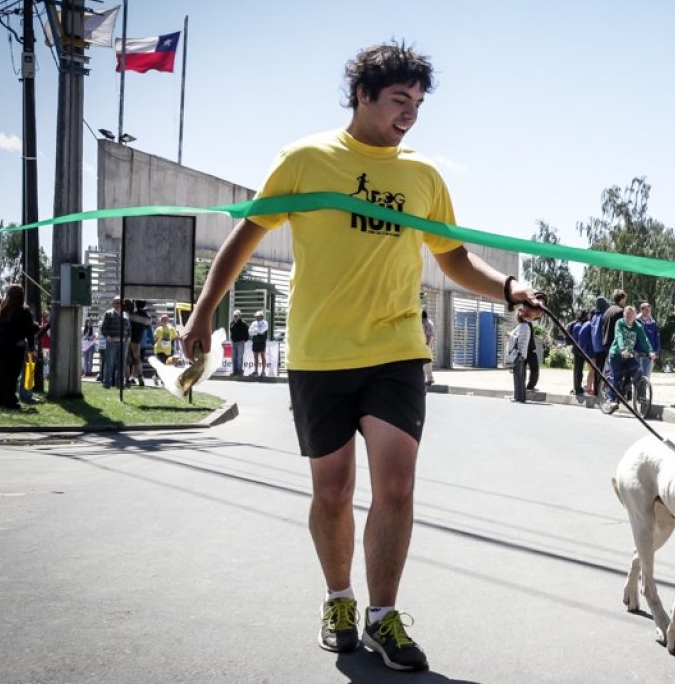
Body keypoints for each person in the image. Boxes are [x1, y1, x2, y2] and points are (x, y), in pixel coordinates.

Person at [179, 41, 542, 670]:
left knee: (396, 485)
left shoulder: (423, 177)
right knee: (334, 490)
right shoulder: (305, 161)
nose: (410, 113)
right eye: (399, 99)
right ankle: (339, 600)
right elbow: (247, 233)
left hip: (395, 349)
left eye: (418, 103)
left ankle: (383, 616)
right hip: (319, 352)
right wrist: (204, 308)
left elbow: (452, 257)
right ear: (362, 95)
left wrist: (508, 288)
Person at [601, 305, 652, 414]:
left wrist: (650, 351)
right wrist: (622, 349)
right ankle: (610, 399)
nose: (629, 316)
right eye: (627, 314)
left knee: (638, 371)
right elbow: (619, 336)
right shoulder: (620, 323)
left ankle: (640, 397)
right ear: (624, 315)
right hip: (616, 354)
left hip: (629, 355)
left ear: (635, 315)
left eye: (632, 314)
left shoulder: (637, 326)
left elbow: (644, 339)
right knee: (616, 376)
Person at [0, 284, 38, 410]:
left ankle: (2, 399)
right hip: (16, 346)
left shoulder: (2, 310)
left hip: (2, 345)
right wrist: (32, 348)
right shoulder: (24, 312)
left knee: (3, 374)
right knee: (13, 375)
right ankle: (11, 400)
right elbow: (28, 332)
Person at [99, 296, 130, 389]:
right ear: (113, 304)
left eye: (120, 303)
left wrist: (128, 337)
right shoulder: (109, 313)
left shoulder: (125, 314)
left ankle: (120, 384)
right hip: (112, 342)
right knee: (110, 363)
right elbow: (103, 328)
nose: (118, 304)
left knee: (121, 364)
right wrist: (107, 336)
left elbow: (129, 328)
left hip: (123, 343)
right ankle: (107, 384)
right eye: (116, 303)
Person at [506, 309, 531, 403]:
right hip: (521, 354)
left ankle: (518, 397)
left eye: (516, 315)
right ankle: (521, 397)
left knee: (518, 377)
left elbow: (517, 339)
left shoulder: (522, 326)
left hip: (518, 354)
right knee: (520, 377)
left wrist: (509, 334)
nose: (515, 317)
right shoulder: (526, 326)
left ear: (519, 317)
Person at [125, 300, 148, 387]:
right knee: (137, 359)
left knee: (127, 360)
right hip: (137, 340)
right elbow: (147, 327)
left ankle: (127, 380)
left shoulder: (130, 315)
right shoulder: (146, 317)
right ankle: (140, 378)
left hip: (128, 339)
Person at [637, 302, 660, 379]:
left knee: (647, 378)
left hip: (650, 355)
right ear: (641, 310)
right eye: (646, 310)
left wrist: (656, 352)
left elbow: (657, 338)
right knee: (637, 377)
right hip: (637, 354)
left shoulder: (653, 323)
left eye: (649, 310)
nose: (648, 312)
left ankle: (645, 387)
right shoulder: (635, 321)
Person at [568, 310, 588, 397]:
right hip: (580, 350)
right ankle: (578, 389)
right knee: (579, 370)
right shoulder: (580, 325)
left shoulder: (576, 324)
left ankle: (576, 387)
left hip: (576, 349)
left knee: (576, 370)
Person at [229, 309, 249, 377]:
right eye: (234, 316)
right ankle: (234, 371)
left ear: (240, 316)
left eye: (236, 316)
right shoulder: (232, 323)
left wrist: (244, 340)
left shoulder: (244, 323)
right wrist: (232, 339)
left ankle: (240, 370)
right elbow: (231, 332)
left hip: (240, 342)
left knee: (240, 357)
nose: (235, 317)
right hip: (234, 342)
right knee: (233, 357)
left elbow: (246, 333)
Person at [249, 310, 269, 377]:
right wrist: (258, 332)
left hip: (262, 342)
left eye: (258, 316)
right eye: (256, 316)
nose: (256, 318)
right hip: (255, 341)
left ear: (261, 317)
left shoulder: (265, 323)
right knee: (255, 357)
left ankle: (263, 372)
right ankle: (255, 372)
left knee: (263, 356)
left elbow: (262, 331)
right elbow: (250, 332)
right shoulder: (254, 323)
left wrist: (255, 331)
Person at [420, 310, 435, 386]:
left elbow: (430, 336)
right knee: (424, 363)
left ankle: (430, 379)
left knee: (427, 363)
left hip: (426, 346)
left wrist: (428, 345)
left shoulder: (427, 323)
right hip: (425, 345)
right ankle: (425, 379)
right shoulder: (427, 322)